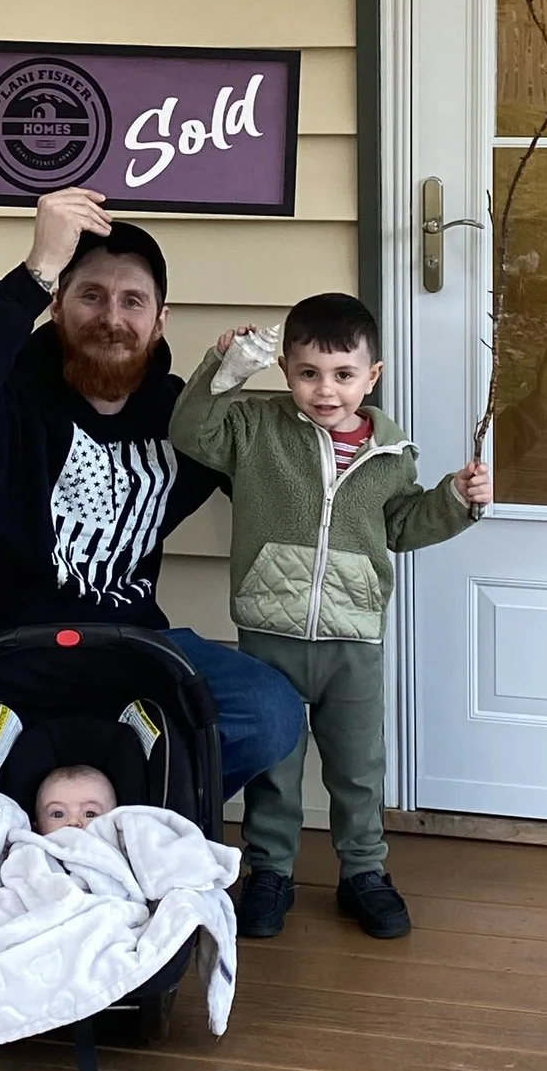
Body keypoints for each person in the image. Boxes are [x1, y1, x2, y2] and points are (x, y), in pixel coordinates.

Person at [0, 189, 306, 826]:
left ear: (161, 320)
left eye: (133, 301)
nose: (112, 316)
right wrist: (35, 269)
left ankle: (135, 834)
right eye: (90, 295)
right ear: (55, 305)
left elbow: (280, 483)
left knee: (270, 710)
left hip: (129, 660)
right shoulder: (0, 404)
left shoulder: (184, 420)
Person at [169, 289, 490, 944]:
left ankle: (364, 871)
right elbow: (191, 429)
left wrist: (456, 500)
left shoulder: (391, 455)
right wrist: (226, 370)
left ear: (370, 377)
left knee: (357, 764)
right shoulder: (256, 430)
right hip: (271, 632)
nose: (326, 390)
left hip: (353, 638)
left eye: (343, 374)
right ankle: (269, 871)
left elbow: (401, 525)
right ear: (286, 369)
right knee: (275, 765)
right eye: (309, 372)